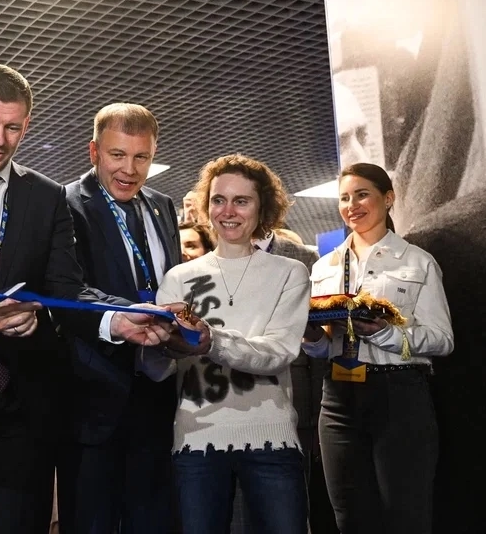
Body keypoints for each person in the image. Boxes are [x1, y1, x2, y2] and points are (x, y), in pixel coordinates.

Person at [0, 65, 173, 534]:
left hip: (25, 402)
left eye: (12, 128)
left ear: (26, 127)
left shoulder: (47, 196)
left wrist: (116, 319)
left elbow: (66, 287)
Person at [143, 153, 311, 534]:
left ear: (262, 207)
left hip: (271, 438)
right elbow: (158, 370)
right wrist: (154, 343)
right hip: (197, 440)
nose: (228, 211)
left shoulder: (290, 273)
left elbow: (278, 352)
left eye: (241, 201)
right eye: (219, 199)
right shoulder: (178, 277)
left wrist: (210, 341)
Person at [302, 162, 453, 534]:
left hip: (399, 394)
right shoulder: (323, 267)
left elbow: (442, 339)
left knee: (405, 516)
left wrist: (385, 334)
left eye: (361, 194)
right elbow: (322, 349)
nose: (351, 205)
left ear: (388, 199)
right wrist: (310, 335)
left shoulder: (418, 261)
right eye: (344, 198)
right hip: (337, 398)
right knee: (349, 517)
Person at [59, 103, 181, 533]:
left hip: (159, 392)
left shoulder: (163, 205)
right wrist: (124, 315)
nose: (130, 170)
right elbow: (65, 289)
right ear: (94, 151)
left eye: (141, 157)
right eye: (117, 155)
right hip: (94, 396)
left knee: (155, 520)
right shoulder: (63, 203)